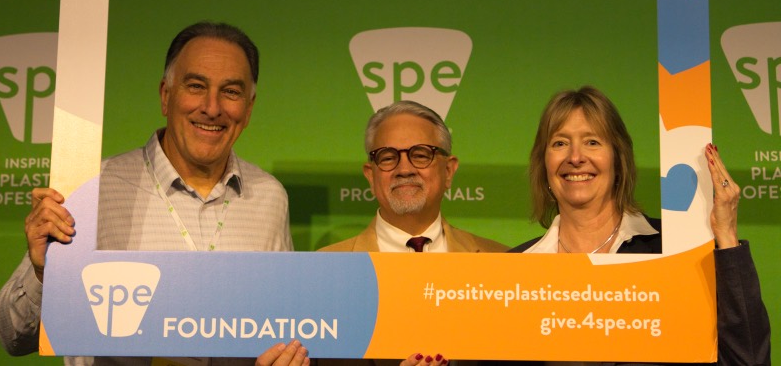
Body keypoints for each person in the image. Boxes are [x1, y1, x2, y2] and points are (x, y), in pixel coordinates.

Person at [0, 21, 310, 366]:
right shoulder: (92, 188)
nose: (212, 107)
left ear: (248, 109)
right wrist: (45, 272)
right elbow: (14, 337)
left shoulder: (269, 197)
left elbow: (280, 326)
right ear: (165, 95)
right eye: (196, 86)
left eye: (231, 92)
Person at [510, 86, 770, 365]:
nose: (575, 157)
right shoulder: (514, 271)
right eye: (560, 143)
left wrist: (726, 237)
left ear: (618, 159)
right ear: (544, 163)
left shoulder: (677, 251)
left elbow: (748, 360)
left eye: (592, 142)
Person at [319, 100, 509, 366]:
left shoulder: (502, 264)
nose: (405, 169)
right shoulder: (324, 273)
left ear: (448, 170)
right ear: (370, 175)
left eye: (420, 155)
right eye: (388, 157)